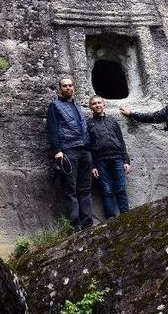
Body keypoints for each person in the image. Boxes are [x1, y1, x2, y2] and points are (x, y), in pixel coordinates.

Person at [46, 77, 93, 231]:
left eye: (70, 85)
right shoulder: (55, 106)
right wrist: (57, 150)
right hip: (68, 150)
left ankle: (87, 222)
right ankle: (75, 224)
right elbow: (52, 129)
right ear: (60, 88)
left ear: (74, 87)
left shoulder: (78, 107)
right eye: (65, 86)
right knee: (70, 188)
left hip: (84, 150)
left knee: (85, 188)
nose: (68, 88)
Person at [87, 95, 131, 218]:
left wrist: (126, 160)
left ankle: (126, 215)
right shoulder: (89, 124)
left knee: (121, 188)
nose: (97, 105)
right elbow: (88, 146)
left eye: (99, 103)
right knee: (106, 191)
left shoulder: (112, 121)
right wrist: (93, 165)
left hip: (117, 158)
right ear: (91, 107)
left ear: (104, 104)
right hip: (100, 161)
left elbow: (121, 141)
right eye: (94, 104)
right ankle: (110, 218)